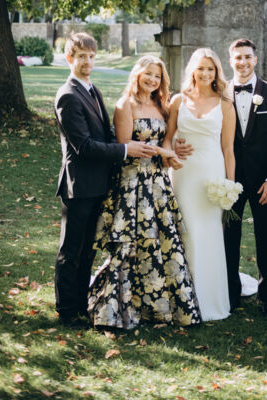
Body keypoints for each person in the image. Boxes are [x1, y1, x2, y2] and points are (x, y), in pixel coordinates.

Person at [88, 55, 201, 329]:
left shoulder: (161, 105)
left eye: (157, 76)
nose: (152, 79)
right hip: (132, 183)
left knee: (163, 242)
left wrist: (172, 152)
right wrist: (163, 151)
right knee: (131, 244)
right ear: (137, 74)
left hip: (158, 184)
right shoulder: (125, 104)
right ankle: (119, 306)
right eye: (148, 73)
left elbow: (167, 142)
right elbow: (127, 147)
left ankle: (160, 307)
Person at [54, 33, 156, 327]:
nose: (87, 62)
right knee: (71, 250)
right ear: (70, 58)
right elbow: (84, 146)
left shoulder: (92, 90)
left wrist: (130, 143)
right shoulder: (68, 95)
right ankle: (66, 310)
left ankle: (79, 302)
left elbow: (104, 135)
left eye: (91, 56)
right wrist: (125, 150)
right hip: (79, 185)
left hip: (98, 183)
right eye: (81, 56)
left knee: (87, 249)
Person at [164, 48, 236, 321]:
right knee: (184, 231)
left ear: (217, 72)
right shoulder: (178, 100)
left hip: (212, 175)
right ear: (192, 70)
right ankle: (181, 299)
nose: (206, 73)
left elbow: (228, 148)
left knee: (208, 234)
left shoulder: (224, 104)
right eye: (201, 68)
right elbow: (167, 138)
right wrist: (173, 151)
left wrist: (230, 185)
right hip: (183, 174)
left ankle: (208, 300)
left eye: (211, 69)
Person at [225, 38, 267, 315]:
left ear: (255, 59)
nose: (243, 62)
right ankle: (229, 294)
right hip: (230, 180)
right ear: (231, 60)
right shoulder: (220, 93)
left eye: (247, 56)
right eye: (238, 57)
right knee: (228, 237)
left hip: (264, 180)